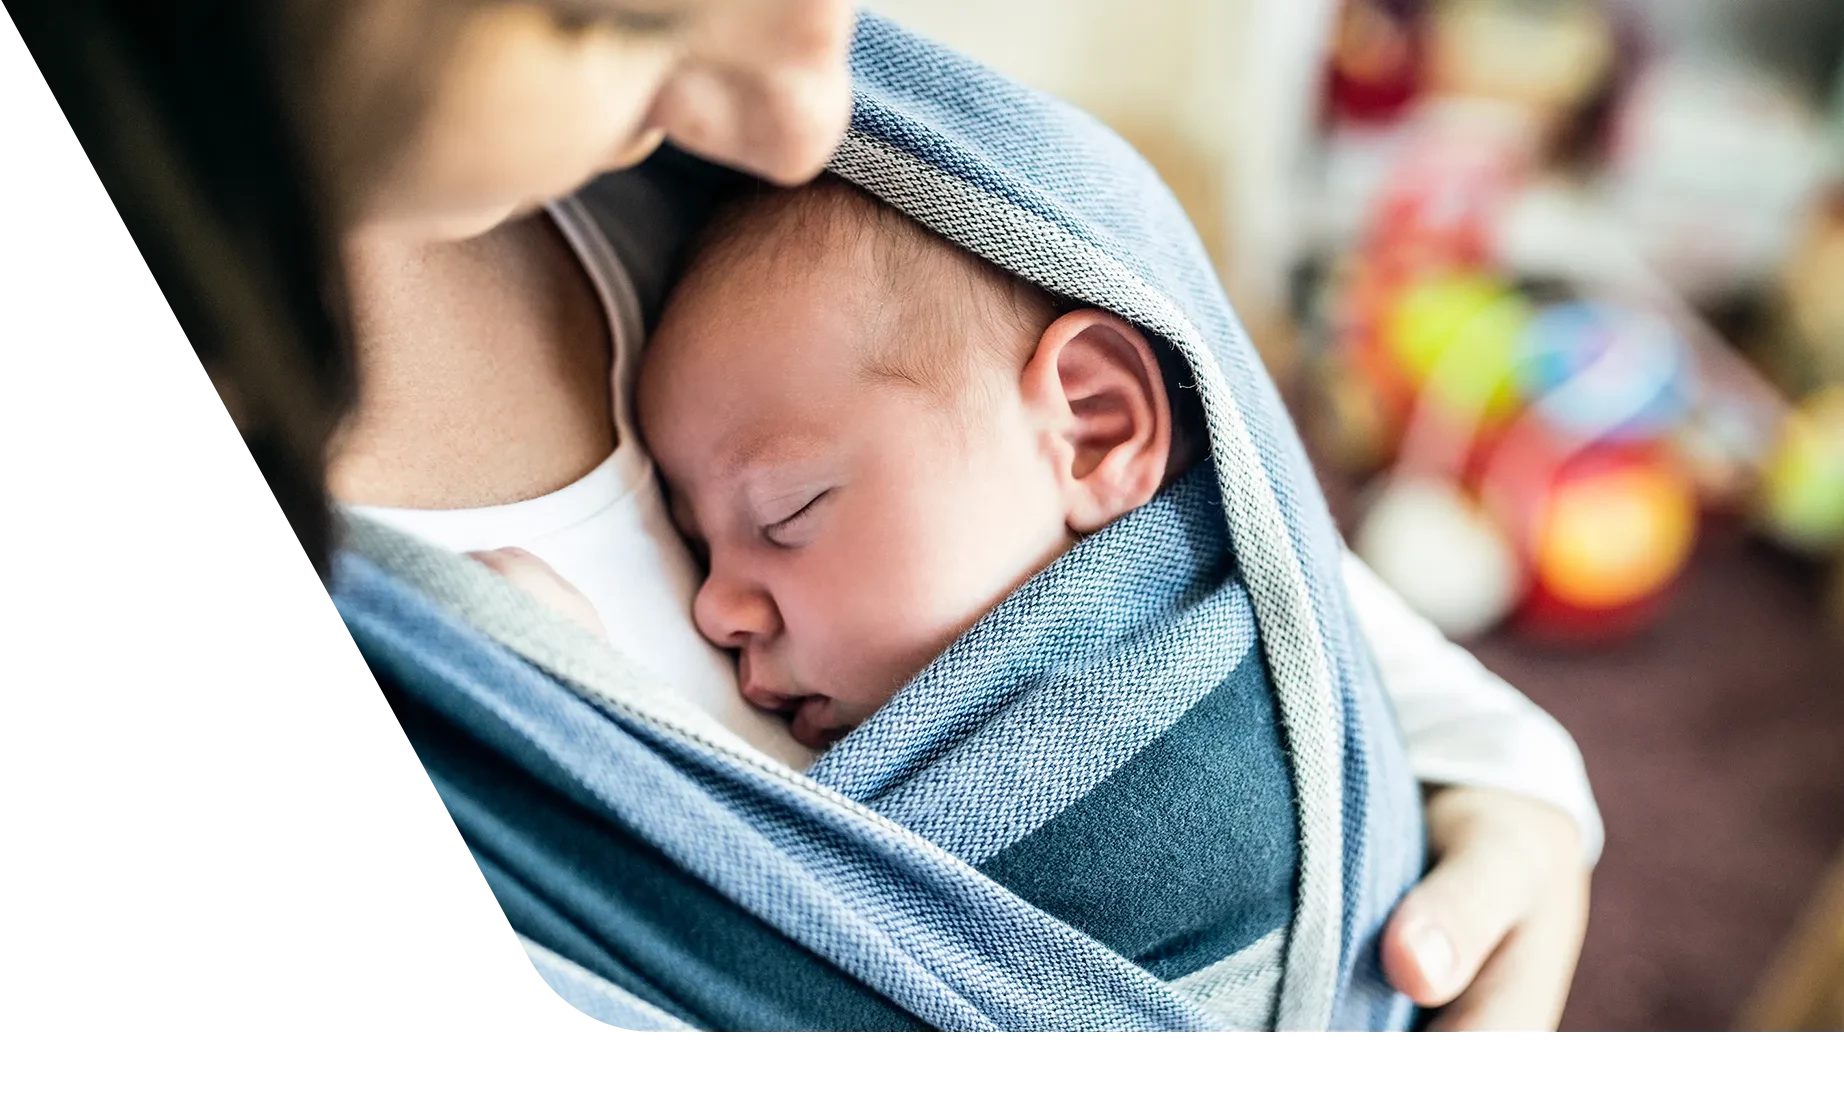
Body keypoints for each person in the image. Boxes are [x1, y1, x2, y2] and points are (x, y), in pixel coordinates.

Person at [12, 0, 1595, 1028]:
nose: (803, 106)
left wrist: (1520, 789)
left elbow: (1234, 555)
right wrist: (621, 730)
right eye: (620, 17)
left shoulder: (840, 198)